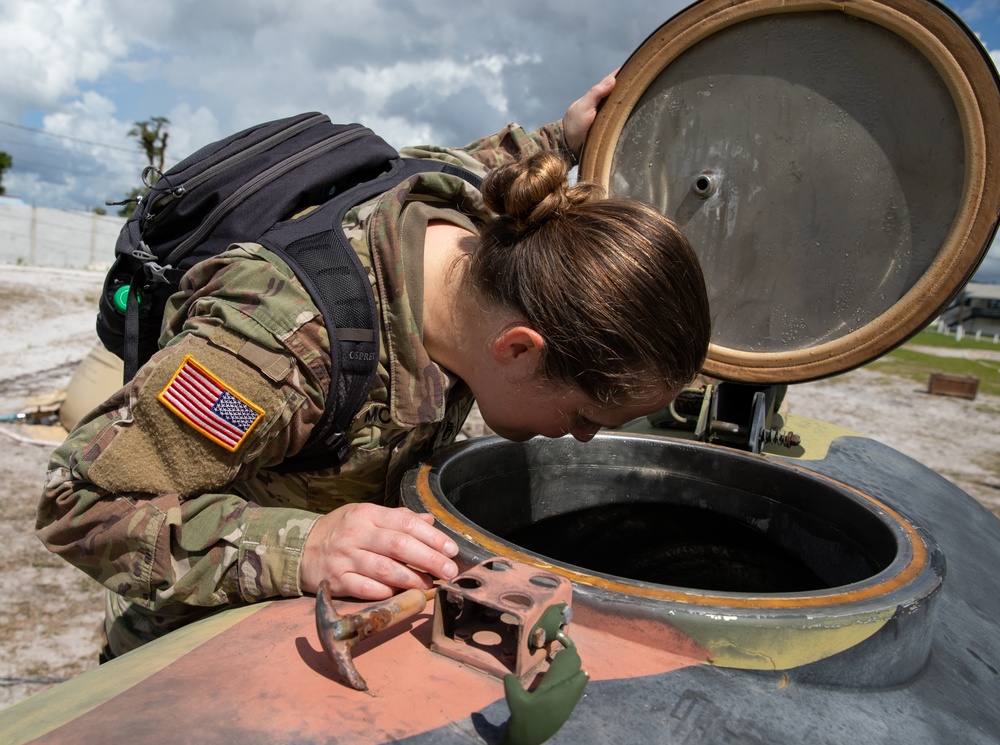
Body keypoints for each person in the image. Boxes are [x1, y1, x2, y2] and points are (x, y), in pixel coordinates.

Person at [36, 73, 712, 661]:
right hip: (198, 653)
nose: (584, 438)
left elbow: (500, 161)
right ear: (519, 349)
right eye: (585, 416)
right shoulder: (276, 347)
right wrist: (299, 547)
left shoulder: (503, 212)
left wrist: (563, 139)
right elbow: (81, 502)